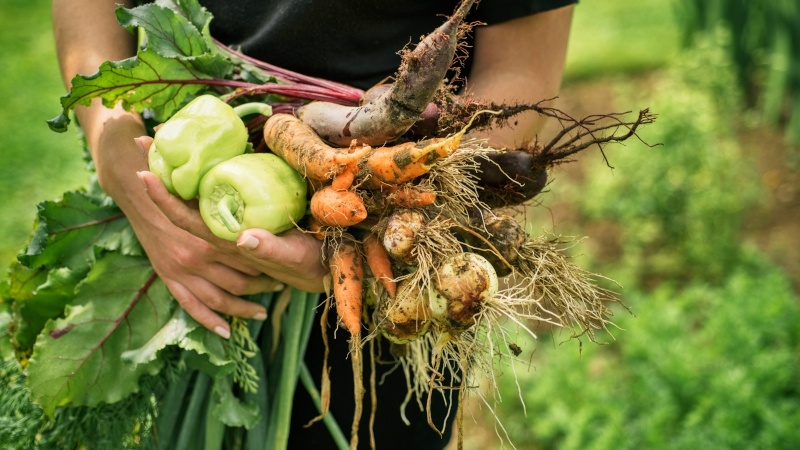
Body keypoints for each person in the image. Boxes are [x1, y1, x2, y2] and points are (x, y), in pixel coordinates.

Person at [52, 1, 575, 447]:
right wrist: (116, 152)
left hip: (391, 272)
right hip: (172, 230)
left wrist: (377, 219)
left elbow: (521, 68)